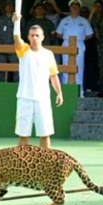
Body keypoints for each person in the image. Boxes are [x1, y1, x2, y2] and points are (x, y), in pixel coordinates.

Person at [12, 13, 63, 148]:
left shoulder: (48, 54)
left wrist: (59, 93)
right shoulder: (23, 50)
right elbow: (16, 39)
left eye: (37, 35)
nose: (34, 38)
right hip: (25, 98)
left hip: (43, 99)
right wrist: (16, 23)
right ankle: (22, 165)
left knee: (45, 134)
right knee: (23, 135)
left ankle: (46, 165)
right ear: (28, 37)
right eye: (32, 35)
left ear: (43, 37)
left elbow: (53, 76)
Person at [56, 0, 94, 97]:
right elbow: (59, 34)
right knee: (66, 67)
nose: (75, 8)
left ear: (79, 9)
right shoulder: (64, 21)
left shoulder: (84, 21)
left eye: (77, 7)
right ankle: (65, 90)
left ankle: (79, 92)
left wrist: (80, 39)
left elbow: (90, 35)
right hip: (66, 44)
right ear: (70, 8)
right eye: (73, 7)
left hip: (79, 45)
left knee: (79, 68)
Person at [0, 0, 19, 82]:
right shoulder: (0, 19)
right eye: (7, 5)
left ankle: (16, 86)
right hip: (2, 47)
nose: (9, 7)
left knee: (16, 69)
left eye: (11, 5)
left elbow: (22, 31)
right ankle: (0, 86)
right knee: (0, 68)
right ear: (5, 7)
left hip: (14, 47)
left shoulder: (18, 18)